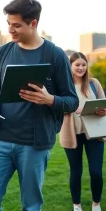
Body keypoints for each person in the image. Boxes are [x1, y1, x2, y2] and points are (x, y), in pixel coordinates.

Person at [0, 0, 79, 211]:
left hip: (35, 144)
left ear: (33, 24)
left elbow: (72, 101)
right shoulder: (2, 52)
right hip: (1, 141)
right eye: (8, 24)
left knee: (31, 205)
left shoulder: (55, 55)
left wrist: (49, 99)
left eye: (16, 25)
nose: (10, 30)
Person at [60, 52, 105, 211]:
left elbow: (103, 104)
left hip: (94, 135)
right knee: (76, 172)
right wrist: (70, 107)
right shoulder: (64, 86)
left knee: (96, 172)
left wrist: (103, 110)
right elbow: (56, 108)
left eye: (83, 65)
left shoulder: (94, 83)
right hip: (72, 135)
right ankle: (77, 205)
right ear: (70, 66)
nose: (81, 68)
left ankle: (96, 204)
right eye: (77, 65)